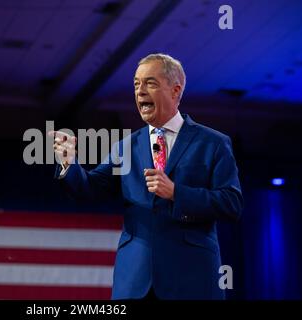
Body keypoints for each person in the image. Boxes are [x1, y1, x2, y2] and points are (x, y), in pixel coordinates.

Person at [50, 53, 243, 300]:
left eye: (150, 83)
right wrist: (69, 163)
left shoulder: (213, 143)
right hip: (135, 280)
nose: (140, 91)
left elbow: (232, 203)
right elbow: (90, 189)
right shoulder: (125, 147)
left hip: (191, 279)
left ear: (175, 90)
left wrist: (176, 192)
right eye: (136, 84)